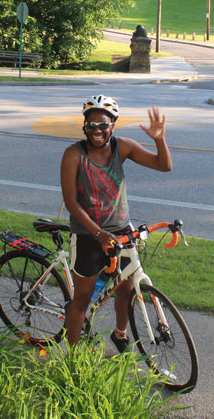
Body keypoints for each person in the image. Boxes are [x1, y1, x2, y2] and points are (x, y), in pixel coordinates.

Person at [60, 95, 172, 351]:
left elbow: (164, 166)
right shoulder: (73, 154)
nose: (97, 131)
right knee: (82, 300)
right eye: (91, 125)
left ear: (113, 125)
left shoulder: (123, 147)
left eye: (103, 125)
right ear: (84, 125)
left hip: (122, 231)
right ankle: (73, 361)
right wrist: (97, 233)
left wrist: (159, 139)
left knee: (126, 289)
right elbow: (71, 202)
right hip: (88, 235)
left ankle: (120, 334)